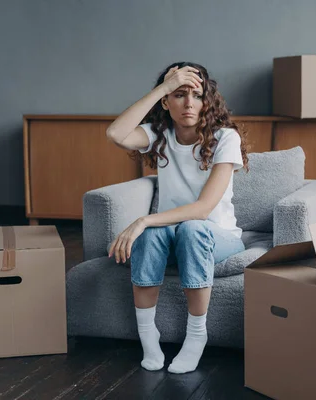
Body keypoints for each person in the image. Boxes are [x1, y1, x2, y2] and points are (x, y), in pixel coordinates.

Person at [105, 62, 249, 373]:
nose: (188, 103)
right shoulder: (161, 135)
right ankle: (148, 335)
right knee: (154, 234)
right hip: (171, 233)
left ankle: (196, 336)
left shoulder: (225, 138)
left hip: (217, 236)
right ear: (166, 102)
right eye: (179, 94)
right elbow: (115, 133)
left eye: (196, 95)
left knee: (191, 229)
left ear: (207, 101)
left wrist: (142, 219)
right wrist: (162, 87)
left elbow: (202, 209)